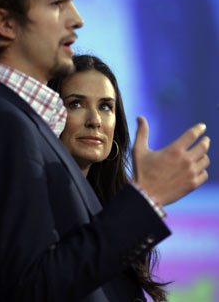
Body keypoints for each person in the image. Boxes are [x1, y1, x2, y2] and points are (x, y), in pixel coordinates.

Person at [0, 0, 210, 302]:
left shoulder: (8, 119)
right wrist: (147, 197)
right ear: (4, 22)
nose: (77, 19)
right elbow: (35, 289)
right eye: (58, 3)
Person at [48, 54, 170, 301]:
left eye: (106, 107)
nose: (95, 121)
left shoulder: (113, 205)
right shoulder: (41, 202)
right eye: (75, 104)